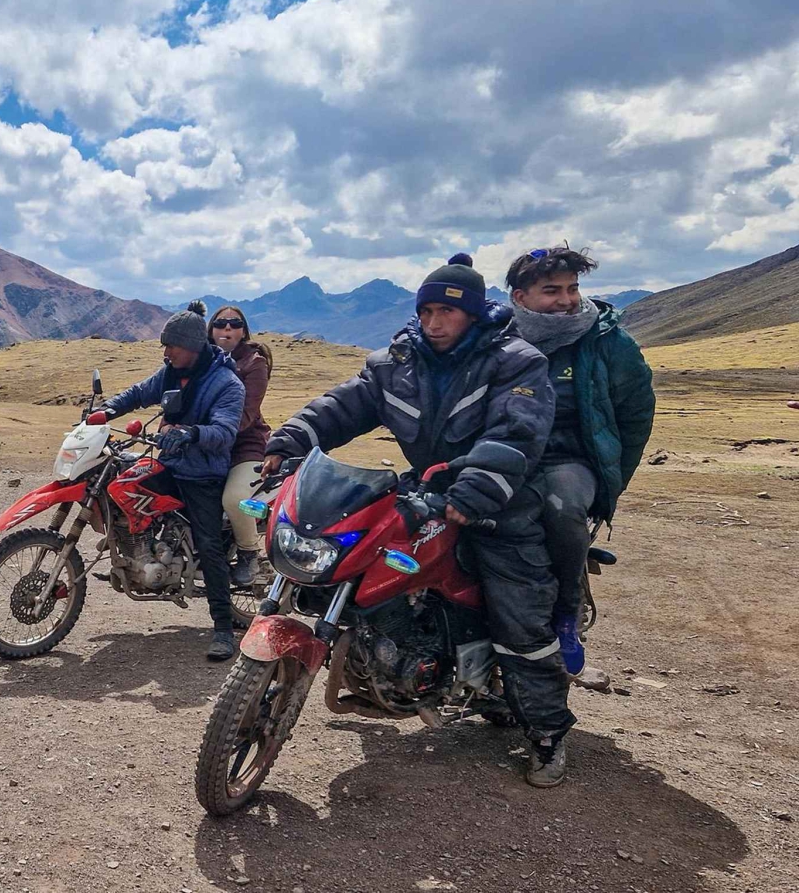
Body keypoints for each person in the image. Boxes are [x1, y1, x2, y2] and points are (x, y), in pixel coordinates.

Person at [262, 254, 576, 787]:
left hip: (499, 499)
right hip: (429, 486)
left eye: (447, 313)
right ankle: (383, 657)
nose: (435, 322)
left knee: (518, 611)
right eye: (426, 310)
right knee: (358, 552)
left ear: (473, 315)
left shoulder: (516, 361)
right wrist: (292, 438)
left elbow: (516, 432)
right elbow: (345, 405)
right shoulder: (396, 362)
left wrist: (477, 488)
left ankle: (546, 733)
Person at [506, 247, 656, 676]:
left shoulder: (607, 341)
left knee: (562, 508)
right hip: (506, 453)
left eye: (572, 288)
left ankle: (566, 616)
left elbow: (635, 413)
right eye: (551, 290)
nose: (567, 300)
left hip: (571, 459)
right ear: (520, 297)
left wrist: (611, 482)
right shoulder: (499, 338)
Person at [86, 301, 247, 661]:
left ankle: (223, 628)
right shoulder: (170, 373)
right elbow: (139, 393)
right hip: (172, 465)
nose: (166, 351)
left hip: (203, 474)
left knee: (209, 544)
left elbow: (223, 431)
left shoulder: (227, 383)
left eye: (171, 345)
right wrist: (106, 411)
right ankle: (132, 560)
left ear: (191, 346)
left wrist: (190, 433)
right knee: (121, 488)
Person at [207, 305, 273, 588]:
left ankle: (249, 554)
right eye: (221, 323)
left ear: (244, 331)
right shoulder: (202, 361)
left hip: (245, 447)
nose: (227, 329)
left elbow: (245, 416)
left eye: (234, 324)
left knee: (234, 499)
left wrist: (204, 432)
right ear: (211, 330)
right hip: (207, 445)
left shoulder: (254, 363)